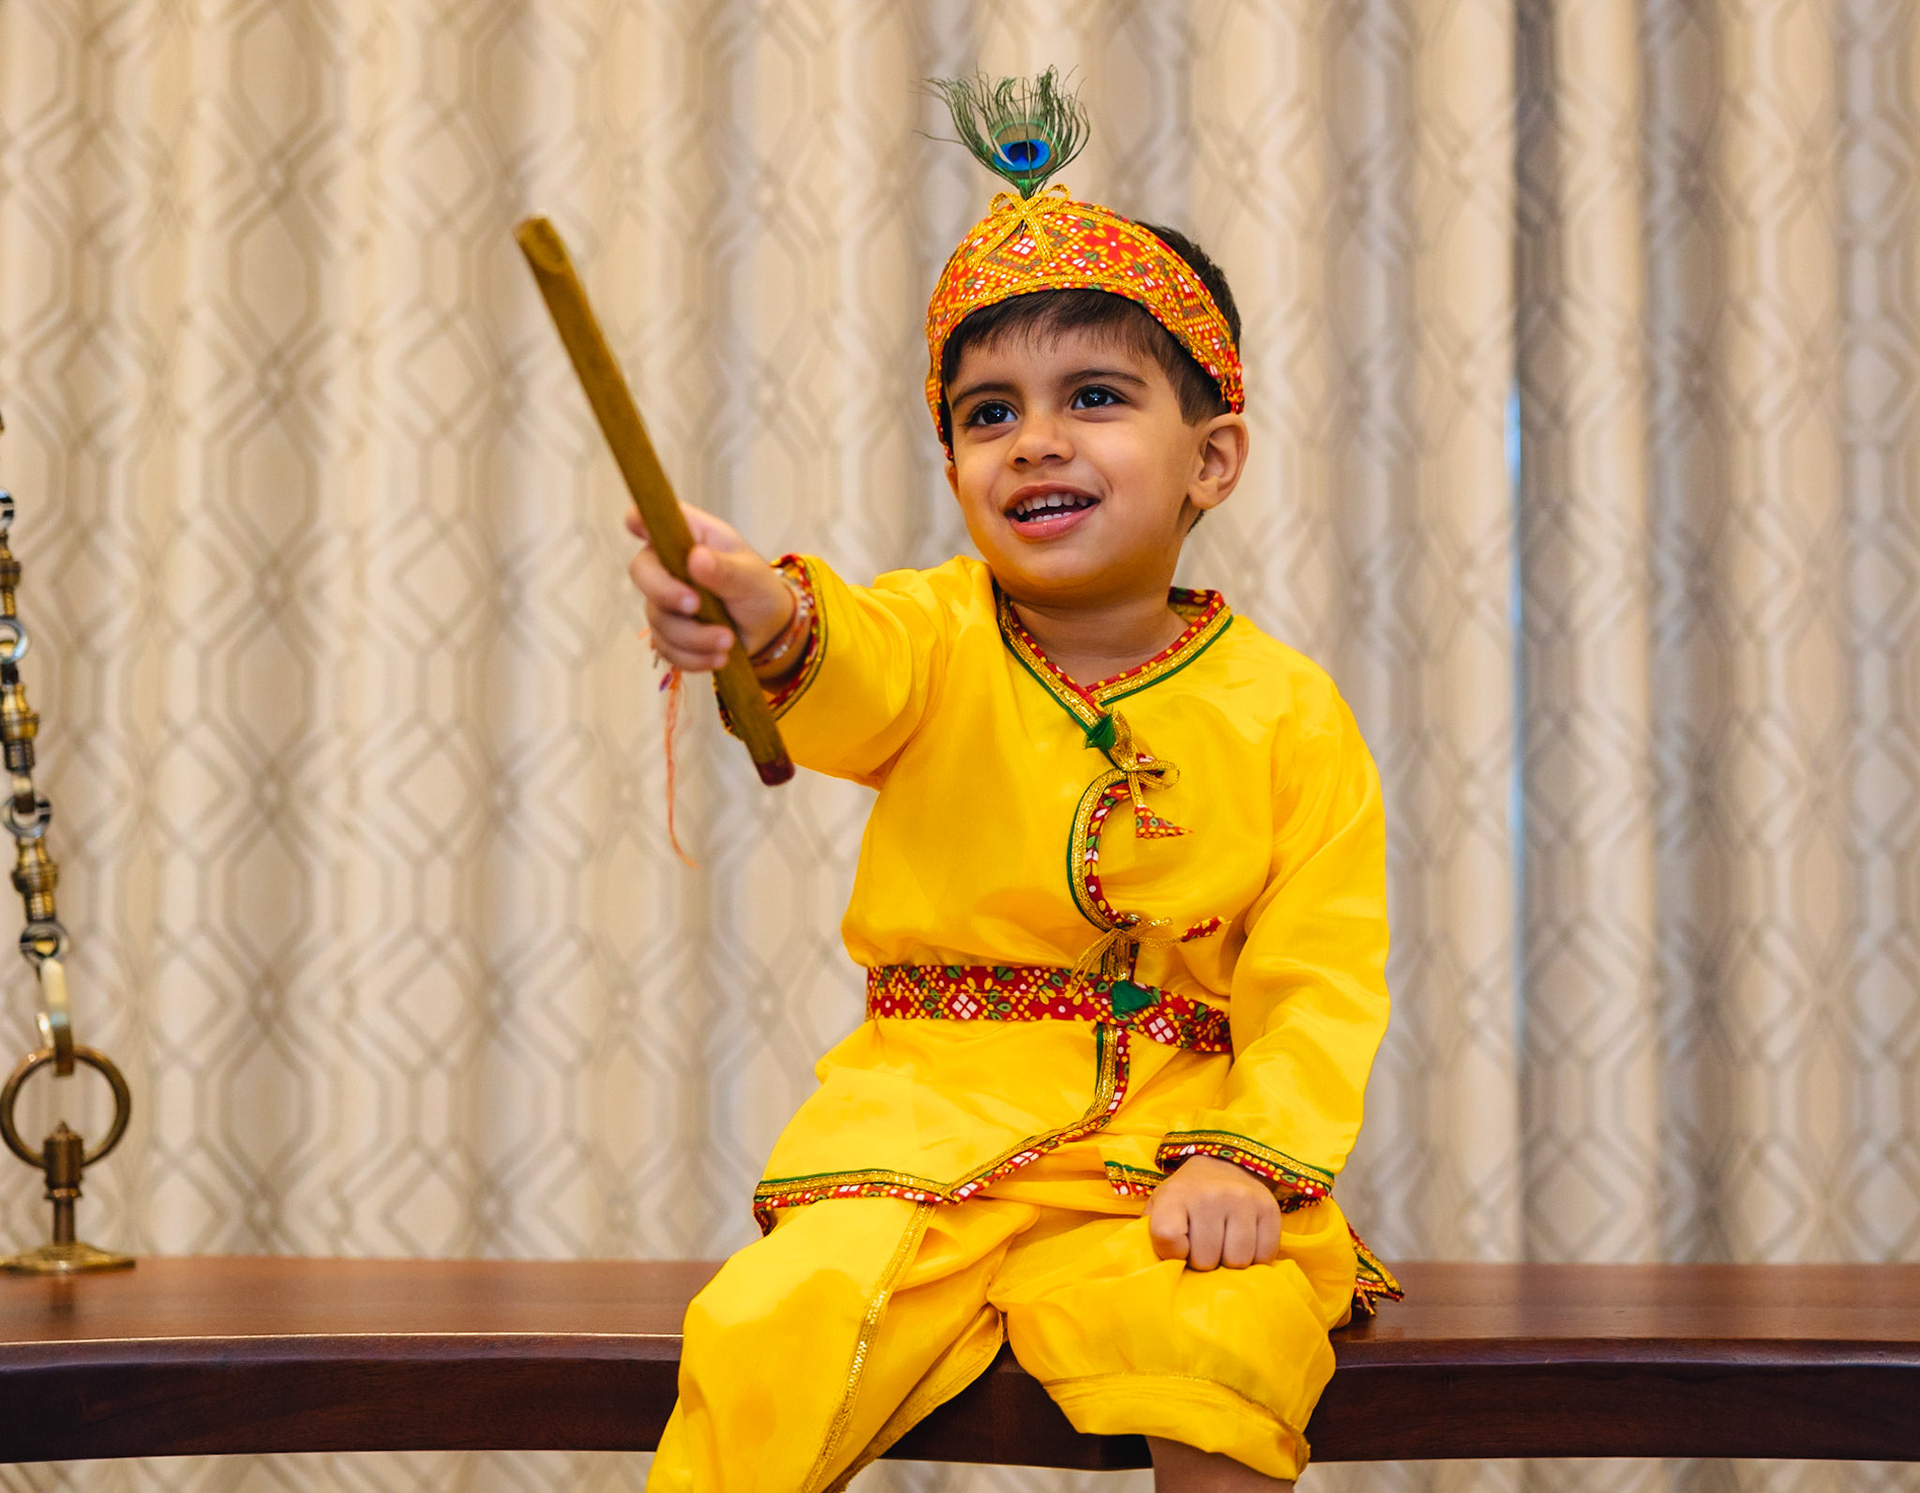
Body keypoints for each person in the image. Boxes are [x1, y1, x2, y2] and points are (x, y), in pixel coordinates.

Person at [629, 71, 1399, 1493]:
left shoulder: (1290, 709)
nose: (1035, 438)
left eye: (1093, 397)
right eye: (990, 413)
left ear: (1212, 457)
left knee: (1227, 1337)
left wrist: (1248, 1159)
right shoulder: (934, 632)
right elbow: (844, 659)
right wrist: (761, 612)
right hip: (917, 1140)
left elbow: (1320, 978)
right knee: (771, 1330)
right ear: (956, 468)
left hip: (1169, 1154)